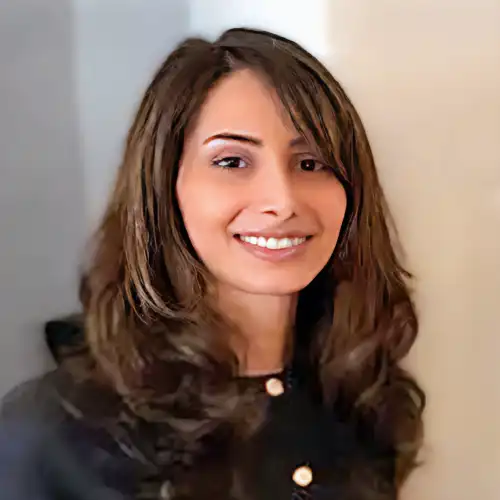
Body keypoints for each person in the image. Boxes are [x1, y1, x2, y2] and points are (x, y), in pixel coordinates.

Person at [0, 28, 425, 500]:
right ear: (164, 186)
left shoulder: (362, 396)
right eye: (232, 162)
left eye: (311, 163)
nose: (282, 201)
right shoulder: (52, 434)